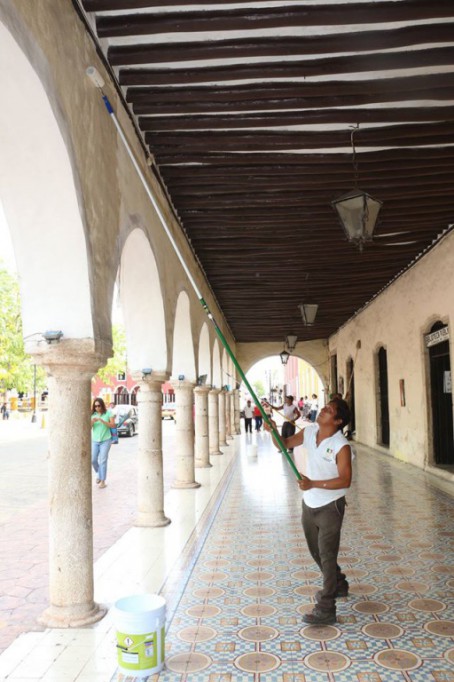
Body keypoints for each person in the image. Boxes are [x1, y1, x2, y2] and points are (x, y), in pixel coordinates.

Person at [264, 398, 353, 625]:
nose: (323, 410)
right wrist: (273, 431)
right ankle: (338, 582)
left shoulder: (341, 445)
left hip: (330, 506)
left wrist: (313, 483)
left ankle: (326, 607)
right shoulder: (309, 431)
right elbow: (284, 444)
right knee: (316, 552)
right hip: (309, 504)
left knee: (327, 553)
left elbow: (345, 480)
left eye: (329, 410)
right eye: (325, 407)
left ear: (338, 420)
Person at [91, 398, 116, 488]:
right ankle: (98, 473)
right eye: (95, 406)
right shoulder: (92, 415)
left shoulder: (108, 413)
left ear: (102, 405)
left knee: (103, 460)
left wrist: (102, 421)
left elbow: (113, 425)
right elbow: (88, 428)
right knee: (93, 460)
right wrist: (92, 422)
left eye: (99, 405)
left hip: (106, 440)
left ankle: (102, 481)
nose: (97, 408)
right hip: (95, 441)